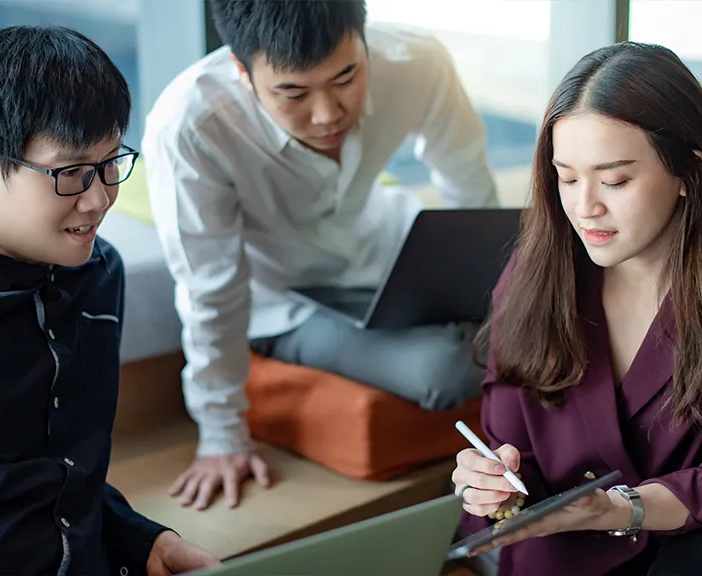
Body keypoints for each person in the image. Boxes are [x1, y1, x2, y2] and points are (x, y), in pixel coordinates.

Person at [451, 42, 702, 576]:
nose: (586, 206)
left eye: (615, 180)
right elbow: (512, 453)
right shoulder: (538, 274)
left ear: (688, 172)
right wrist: (489, 486)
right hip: (567, 548)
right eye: (567, 177)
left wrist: (621, 508)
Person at [0, 26, 219, 576]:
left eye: (109, 163)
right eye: (71, 173)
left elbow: (63, 476)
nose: (99, 199)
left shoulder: (96, 273)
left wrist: (143, 541)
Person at [143, 0, 499, 510]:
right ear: (241, 71)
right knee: (445, 369)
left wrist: (496, 292)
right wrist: (222, 434)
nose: (328, 114)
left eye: (346, 77)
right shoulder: (190, 127)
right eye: (292, 92)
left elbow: (471, 188)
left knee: (542, 319)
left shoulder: (416, 60)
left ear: (364, 38)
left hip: (392, 250)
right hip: (286, 302)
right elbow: (209, 288)